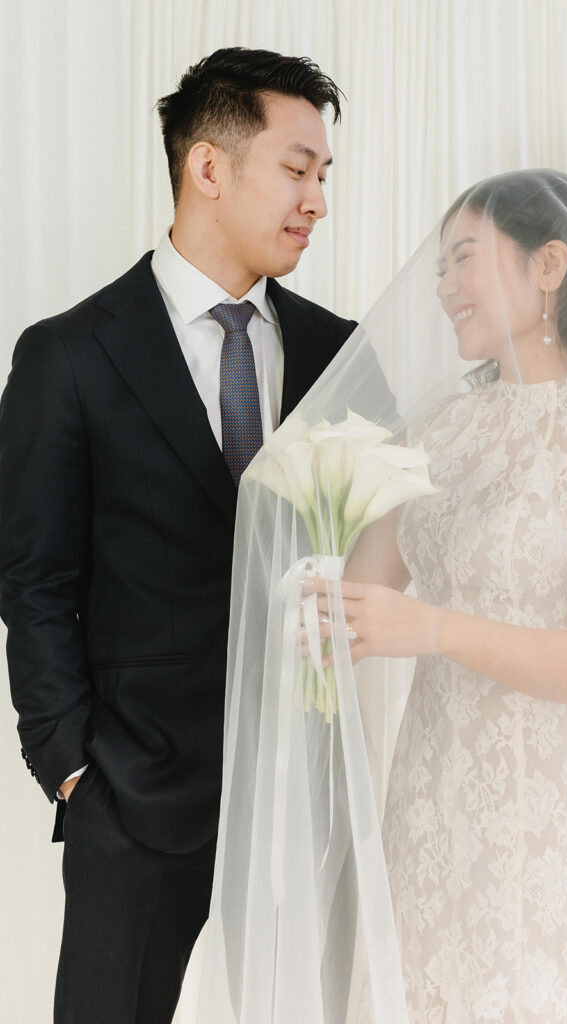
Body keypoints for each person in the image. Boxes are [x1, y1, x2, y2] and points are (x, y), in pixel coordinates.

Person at [198, 170, 567, 1022]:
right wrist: (312, 560)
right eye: (439, 266)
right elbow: (363, 597)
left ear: (549, 265)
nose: (442, 286)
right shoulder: (441, 429)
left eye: (464, 258)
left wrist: (431, 628)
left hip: (545, 826)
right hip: (427, 805)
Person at [0, 46, 356, 1024]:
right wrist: (70, 766)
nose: (317, 200)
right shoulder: (70, 355)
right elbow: (32, 577)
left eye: (323, 175)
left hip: (301, 801)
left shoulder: (337, 351)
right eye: (296, 169)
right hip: (132, 797)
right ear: (208, 166)